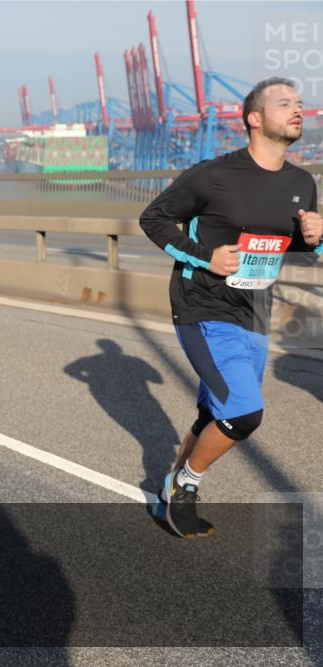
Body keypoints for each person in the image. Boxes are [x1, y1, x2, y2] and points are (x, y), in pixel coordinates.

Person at [140, 77, 322, 539]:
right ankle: (185, 485)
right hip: (202, 308)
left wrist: (318, 239)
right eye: (285, 104)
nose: (298, 110)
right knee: (242, 412)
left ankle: (171, 489)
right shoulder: (214, 175)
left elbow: (296, 245)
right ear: (254, 119)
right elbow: (154, 218)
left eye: (299, 104)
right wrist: (205, 255)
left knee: (213, 415)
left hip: (255, 312)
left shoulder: (302, 183)